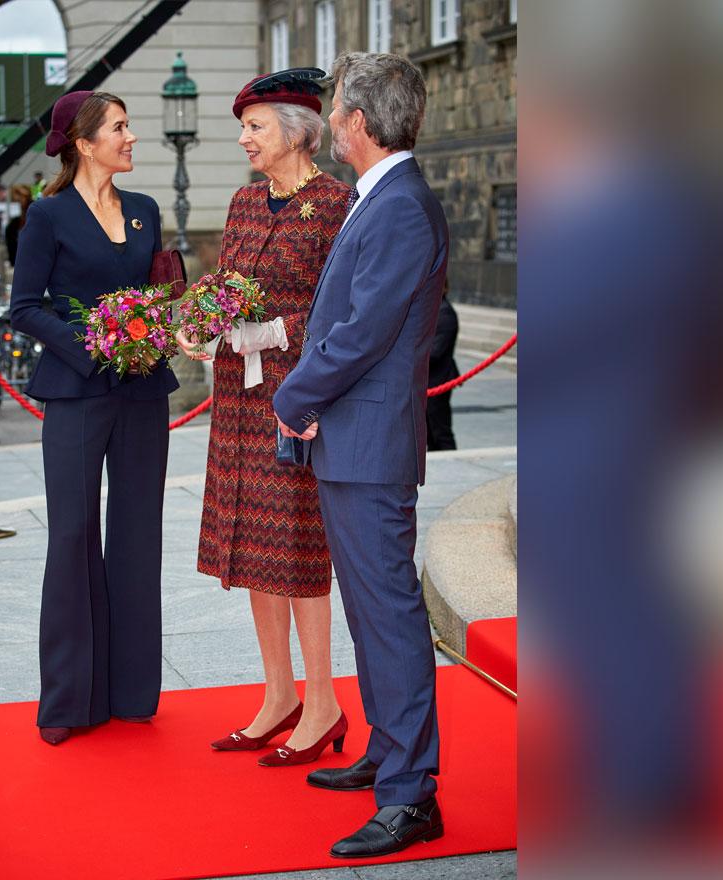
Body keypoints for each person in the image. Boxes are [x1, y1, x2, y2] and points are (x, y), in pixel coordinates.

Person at [273, 52, 450, 858]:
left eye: (337, 106)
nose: (331, 116)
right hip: (357, 440)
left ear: (358, 124)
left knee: (389, 616)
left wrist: (294, 395)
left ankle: (411, 796)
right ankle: (388, 752)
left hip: (368, 442)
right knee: (371, 615)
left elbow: (361, 330)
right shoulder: (378, 198)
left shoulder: (401, 205)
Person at [176, 69, 354, 766]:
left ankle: (324, 702)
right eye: (243, 127)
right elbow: (225, 288)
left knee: (299, 551)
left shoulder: (338, 204)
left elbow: (344, 315)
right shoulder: (246, 202)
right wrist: (199, 321)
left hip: (298, 401)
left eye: (255, 126)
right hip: (238, 399)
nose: (244, 138)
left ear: (297, 131)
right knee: (254, 549)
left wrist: (272, 332)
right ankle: (278, 694)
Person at [9, 90, 178, 746]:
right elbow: (24, 308)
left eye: (128, 126)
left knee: (137, 537)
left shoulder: (145, 212)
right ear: (83, 143)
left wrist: (174, 314)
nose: (131, 137)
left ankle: (133, 692)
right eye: (119, 128)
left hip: (143, 392)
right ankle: (70, 701)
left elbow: (161, 291)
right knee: (74, 537)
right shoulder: (47, 218)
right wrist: (92, 343)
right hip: (77, 392)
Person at [425, 296, 460, 450]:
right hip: (427, 381)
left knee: (440, 430)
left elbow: (436, 352)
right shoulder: (432, 309)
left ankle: (451, 462)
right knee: (429, 432)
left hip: (439, 379)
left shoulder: (445, 314)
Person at [4, 183, 32, 267]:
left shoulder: (34, 218)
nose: (20, 200)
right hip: (18, 262)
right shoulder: (13, 225)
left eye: (23, 197)